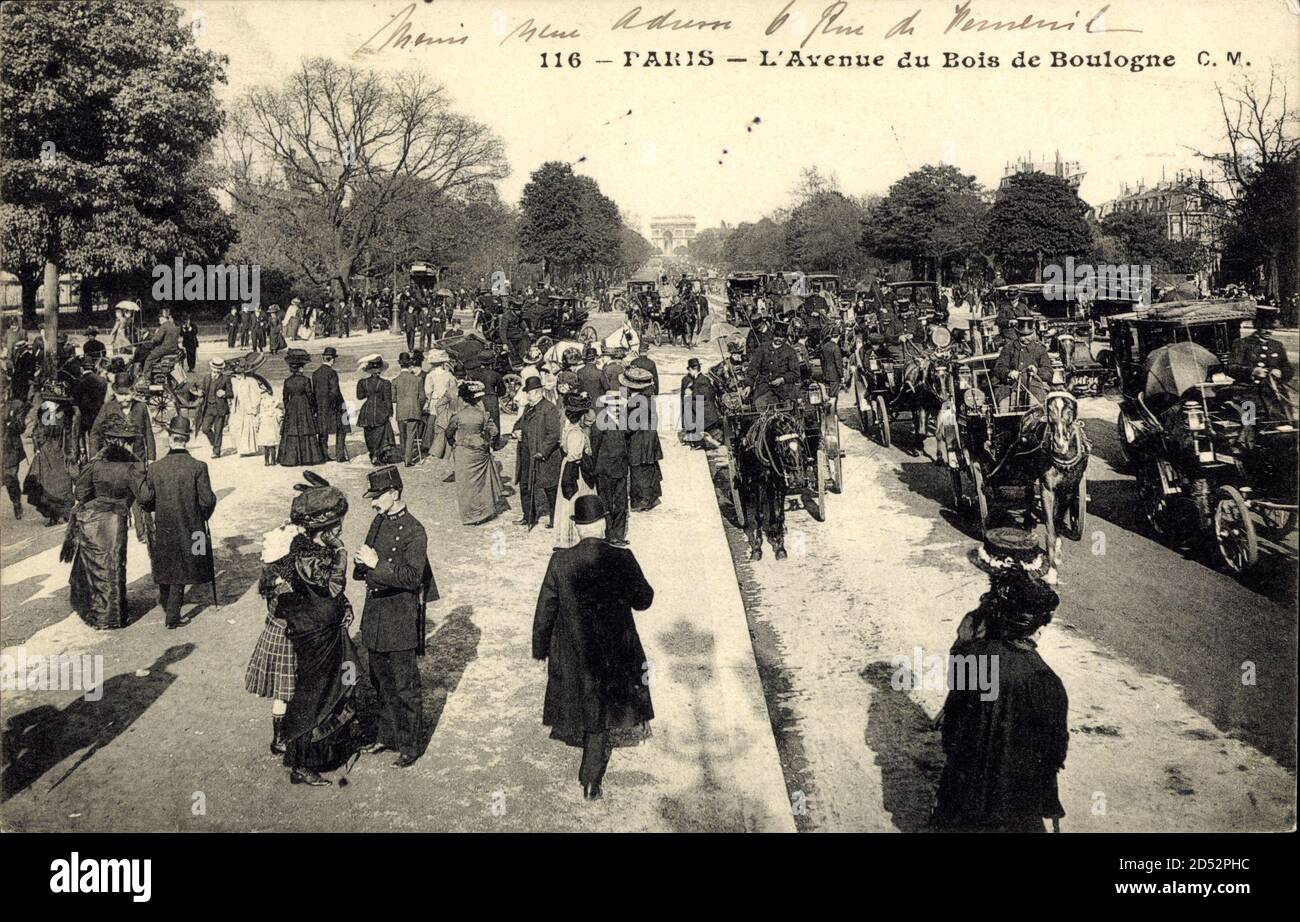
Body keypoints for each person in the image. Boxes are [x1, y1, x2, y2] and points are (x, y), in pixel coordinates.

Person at [932, 528, 1069, 832]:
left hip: (970, 776)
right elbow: (1053, 751)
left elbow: (956, 721)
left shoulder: (974, 639)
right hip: (1017, 795)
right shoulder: (1045, 681)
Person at [532, 494, 654, 800]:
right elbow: (644, 600)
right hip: (615, 649)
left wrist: (540, 647)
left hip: (575, 648)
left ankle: (590, 773)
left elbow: (546, 607)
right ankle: (591, 778)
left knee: (588, 701)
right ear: (602, 525)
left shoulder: (559, 561)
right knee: (606, 705)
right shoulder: (622, 558)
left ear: (577, 527)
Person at [259, 474, 358, 785]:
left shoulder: (309, 550)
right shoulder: (306, 556)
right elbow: (331, 587)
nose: (341, 528)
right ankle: (301, 764)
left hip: (323, 629)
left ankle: (322, 752)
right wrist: (341, 551)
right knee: (313, 698)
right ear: (323, 528)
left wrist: (344, 607)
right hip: (313, 636)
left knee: (328, 690)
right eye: (337, 524)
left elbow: (333, 596)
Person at [354, 465, 436, 768]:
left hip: (399, 618)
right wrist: (361, 563)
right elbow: (368, 561)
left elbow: (414, 577)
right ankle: (387, 735)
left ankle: (411, 744)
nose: (373, 502)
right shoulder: (378, 521)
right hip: (375, 616)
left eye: (377, 496)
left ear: (394, 493)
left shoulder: (415, 530)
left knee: (405, 687)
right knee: (381, 682)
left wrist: (376, 565)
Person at [64, 418, 146, 629]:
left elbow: (80, 493)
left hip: (93, 522)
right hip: (115, 521)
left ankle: (101, 615)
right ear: (125, 442)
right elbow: (143, 497)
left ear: (108, 441)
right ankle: (114, 616)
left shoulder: (95, 463)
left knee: (98, 569)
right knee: (114, 566)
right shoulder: (134, 466)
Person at [138, 416, 218, 629]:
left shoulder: (156, 468)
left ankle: (166, 603)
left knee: (167, 563)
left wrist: (158, 507)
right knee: (193, 559)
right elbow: (207, 500)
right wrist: (201, 516)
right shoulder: (198, 466)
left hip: (165, 526)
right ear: (188, 438)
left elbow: (145, 499)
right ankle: (172, 617)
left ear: (170, 438)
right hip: (193, 528)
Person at [445, 381, 507, 525]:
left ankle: (469, 515)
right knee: (481, 483)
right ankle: (482, 513)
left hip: (463, 453)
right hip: (480, 452)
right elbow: (494, 431)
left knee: (465, 484)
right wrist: (485, 441)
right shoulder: (483, 415)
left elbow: (448, 432)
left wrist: (453, 443)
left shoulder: (458, 416)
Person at [513, 376, 562, 529]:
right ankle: (528, 516)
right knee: (525, 485)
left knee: (550, 488)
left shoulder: (549, 408)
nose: (527, 396)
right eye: (527, 392)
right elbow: (518, 423)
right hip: (526, 453)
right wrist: (516, 431)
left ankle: (555, 518)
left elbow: (554, 434)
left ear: (539, 392)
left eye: (529, 392)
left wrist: (542, 451)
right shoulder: (528, 407)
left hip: (544, 457)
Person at [587, 392, 631, 546]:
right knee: (606, 503)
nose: (618, 409)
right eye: (615, 406)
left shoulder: (622, 422)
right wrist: (594, 468)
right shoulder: (600, 424)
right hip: (605, 470)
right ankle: (610, 534)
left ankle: (619, 535)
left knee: (621, 503)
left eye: (620, 406)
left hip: (620, 468)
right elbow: (595, 447)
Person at [552, 392, 595, 548]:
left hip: (568, 466)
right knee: (575, 500)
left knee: (567, 502)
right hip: (575, 470)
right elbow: (575, 455)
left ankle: (568, 536)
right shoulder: (577, 433)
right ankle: (577, 537)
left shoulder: (568, 429)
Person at [622, 367, 663, 512]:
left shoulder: (636, 403)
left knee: (640, 471)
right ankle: (652, 497)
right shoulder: (647, 398)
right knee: (649, 468)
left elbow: (629, 427)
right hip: (649, 439)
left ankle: (643, 501)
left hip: (640, 442)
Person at [278, 348, 326, 466]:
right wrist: (313, 409)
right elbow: (310, 395)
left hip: (292, 407)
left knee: (292, 431)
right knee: (306, 429)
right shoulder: (306, 380)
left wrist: (288, 408)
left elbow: (285, 397)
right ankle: (308, 458)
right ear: (301, 368)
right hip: (304, 406)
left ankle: (290, 459)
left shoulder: (287, 381)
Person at [993, 315, 1051, 410]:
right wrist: (1009, 373)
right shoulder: (1008, 348)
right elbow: (999, 368)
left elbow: (1048, 372)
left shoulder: (1040, 350)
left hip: (1034, 387)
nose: (1026, 338)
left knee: (1037, 409)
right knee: (1004, 407)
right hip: (1010, 387)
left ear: (1033, 333)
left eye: (1029, 335)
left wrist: (1037, 371)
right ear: (1017, 334)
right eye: (1023, 335)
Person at [747, 320, 804, 407]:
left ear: (785, 338)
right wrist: (748, 385)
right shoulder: (762, 348)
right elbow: (753, 368)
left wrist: (782, 379)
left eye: (782, 337)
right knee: (758, 404)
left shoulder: (790, 352)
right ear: (773, 335)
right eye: (776, 336)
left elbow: (796, 373)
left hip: (785, 389)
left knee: (788, 408)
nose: (778, 339)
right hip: (764, 387)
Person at [311, 347, 349, 463]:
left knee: (323, 431)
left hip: (320, 406)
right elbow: (334, 392)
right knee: (342, 428)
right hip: (333, 406)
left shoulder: (315, 373)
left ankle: (323, 455)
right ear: (332, 360)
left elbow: (314, 392)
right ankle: (340, 455)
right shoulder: (332, 373)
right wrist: (337, 406)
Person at [356, 354, 395, 464]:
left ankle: (373, 454)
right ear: (380, 370)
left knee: (369, 434)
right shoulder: (385, 383)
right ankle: (379, 455)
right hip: (380, 411)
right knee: (381, 433)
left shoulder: (362, 382)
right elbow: (387, 400)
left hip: (367, 411)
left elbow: (360, 396)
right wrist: (390, 413)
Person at [394, 352, 426, 466]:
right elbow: (422, 397)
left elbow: (393, 398)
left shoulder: (395, 380)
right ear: (410, 364)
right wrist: (419, 407)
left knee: (402, 435)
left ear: (400, 365)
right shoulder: (417, 379)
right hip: (414, 410)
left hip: (401, 411)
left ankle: (403, 455)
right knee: (411, 435)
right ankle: (408, 459)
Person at [229, 355, 265, 457]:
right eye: (236, 374)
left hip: (247, 407)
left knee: (247, 428)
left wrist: (254, 407)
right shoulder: (233, 381)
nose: (237, 376)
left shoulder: (251, 381)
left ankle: (246, 449)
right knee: (236, 428)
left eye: (239, 374)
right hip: (237, 408)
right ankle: (240, 448)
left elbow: (256, 395)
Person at [196, 357, 231, 460]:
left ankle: (216, 451)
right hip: (208, 408)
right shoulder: (206, 378)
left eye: (218, 370)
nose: (216, 372)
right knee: (205, 428)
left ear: (221, 370)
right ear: (211, 368)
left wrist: (225, 393)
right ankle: (214, 443)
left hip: (220, 409)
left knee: (218, 430)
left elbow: (231, 393)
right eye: (214, 369)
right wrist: (200, 392)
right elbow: (202, 389)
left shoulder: (225, 379)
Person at [140, 308, 180, 383]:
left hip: (165, 349)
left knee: (149, 359)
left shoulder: (164, 326)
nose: (159, 320)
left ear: (162, 318)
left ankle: (146, 379)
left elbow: (157, 339)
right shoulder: (173, 325)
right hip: (173, 348)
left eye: (159, 318)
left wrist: (152, 340)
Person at [3, 398, 26, 520]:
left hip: (10, 450)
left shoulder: (16, 405)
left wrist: (11, 422)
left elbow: (21, 427)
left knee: (10, 478)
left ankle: (16, 502)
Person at [256, 379, 283, 465]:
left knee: (266, 447)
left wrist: (257, 428)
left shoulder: (262, 413)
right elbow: (280, 418)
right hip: (273, 432)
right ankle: (273, 461)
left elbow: (258, 421)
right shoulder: (275, 411)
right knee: (273, 447)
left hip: (265, 432)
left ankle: (266, 461)